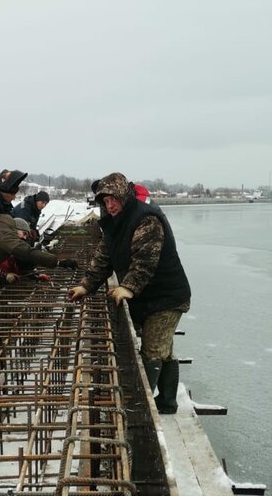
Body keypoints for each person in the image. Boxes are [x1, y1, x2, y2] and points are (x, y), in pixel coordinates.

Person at [68, 172, 190, 413]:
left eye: (113, 199)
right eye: (104, 201)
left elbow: (145, 261)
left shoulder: (146, 220)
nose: (109, 205)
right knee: (164, 350)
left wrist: (128, 287)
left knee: (154, 350)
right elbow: (104, 257)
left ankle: (141, 411)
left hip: (166, 297)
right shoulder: (116, 222)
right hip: (149, 295)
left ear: (124, 195)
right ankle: (167, 403)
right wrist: (86, 284)